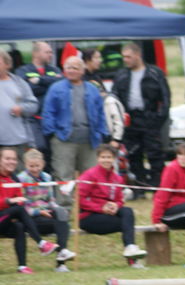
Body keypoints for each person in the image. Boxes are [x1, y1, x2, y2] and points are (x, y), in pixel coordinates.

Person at [41, 56, 107, 205]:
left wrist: (102, 133)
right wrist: (52, 133)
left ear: (83, 71)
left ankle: (89, 207)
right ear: (64, 70)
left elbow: (100, 113)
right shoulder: (56, 88)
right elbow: (48, 112)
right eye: (68, 68)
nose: (71, 71)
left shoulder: (92, 89)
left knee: (91, 175)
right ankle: (65, 208)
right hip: (63, 140)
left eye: (75, 68)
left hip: (90, 140)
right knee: (63, 174)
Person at [77, 142, 148, 266]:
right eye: (103, 157)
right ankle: (132, 258)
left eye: (109, 157)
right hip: (88, 217)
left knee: (127, 212)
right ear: (98, 158)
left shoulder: (117, 178)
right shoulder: (89, 175)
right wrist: (101, 208)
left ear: (114, 159)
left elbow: (120, 199)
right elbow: (80, 200)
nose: (106, 160)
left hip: (108, 214)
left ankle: (130, 249)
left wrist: (116, 205)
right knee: (127, 225)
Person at [113, 42, 170, 190]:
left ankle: (158, 186)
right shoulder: (121, 75)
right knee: (133, 154)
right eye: (124, 57)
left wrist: (158, 119)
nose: (125, 60)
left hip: (150, 118)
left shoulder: (155, 73)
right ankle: (139, 187)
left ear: (138, 55)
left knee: (155, 154)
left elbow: (165, 98)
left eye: (128, 57)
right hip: (131, 120)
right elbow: (114, 97)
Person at [16, 148, 77, 270]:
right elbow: (22, 205)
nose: (35, 169)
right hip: (30, 218)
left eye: (37, 166)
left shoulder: (47, 177)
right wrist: (39, 211)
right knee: (62, 225)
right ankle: (61, 257)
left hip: (46, 214)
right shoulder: (21, 178)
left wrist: (59, 209)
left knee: (62, 216)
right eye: (31, 166)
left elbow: (51, 200)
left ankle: (61, 258)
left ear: (43, 164)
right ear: (25, 165)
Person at [0, 147, 57, 272]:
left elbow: (20, 198)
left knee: (19, 226)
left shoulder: (14, 178)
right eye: (7, 159)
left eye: (14, 159)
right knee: (19, 209)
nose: (11, 162)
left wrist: (16, 203)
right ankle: (41, 243)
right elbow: (14, 202)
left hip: (7, 219)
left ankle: (22, 266)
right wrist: (9, 201)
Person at [15, 41, 60, 157]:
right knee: (39, 148)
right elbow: (25, 89)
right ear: (36, 53)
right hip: (33, 119)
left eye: (51, 52)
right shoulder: (23, 70)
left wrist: (39, 80)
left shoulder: (54, 69)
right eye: (47, 52)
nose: (51, 55)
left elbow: (59, 84)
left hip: (53, 118)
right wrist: (49, 85)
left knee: (53, 151)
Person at [0, 50, 39, 158]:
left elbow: (33, 105)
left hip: (18, 141)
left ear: (7, 64)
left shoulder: (19, 83)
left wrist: (22, 108)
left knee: (18, 169)